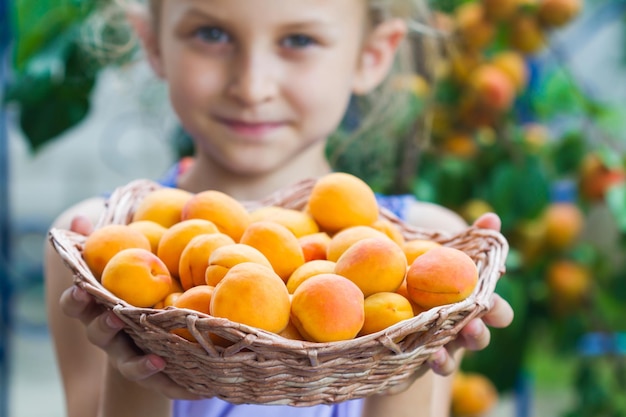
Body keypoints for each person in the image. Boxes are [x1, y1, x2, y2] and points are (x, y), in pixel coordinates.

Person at [44, 0, 514, 416]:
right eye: (212, 33)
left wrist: (406, 361)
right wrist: (134, 358)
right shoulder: (95, 245)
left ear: (371, 56)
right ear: (153, 44)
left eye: (298, 39)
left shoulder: (425, 243)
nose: (252, 85)